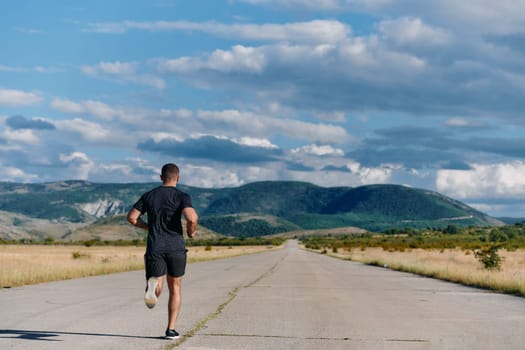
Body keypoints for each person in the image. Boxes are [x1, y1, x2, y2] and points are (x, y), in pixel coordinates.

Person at [127, 163, 198, 340]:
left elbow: (132, 217)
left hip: (155, 245)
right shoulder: (182, 196)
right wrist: (190, 231)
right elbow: (192, 217)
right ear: (178, 178)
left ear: (161, 177)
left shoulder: (149, 195)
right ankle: (170, 329)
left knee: (157, 283)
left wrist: (149, 227)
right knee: (175, 288)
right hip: (175, 247)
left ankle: (154, 287)